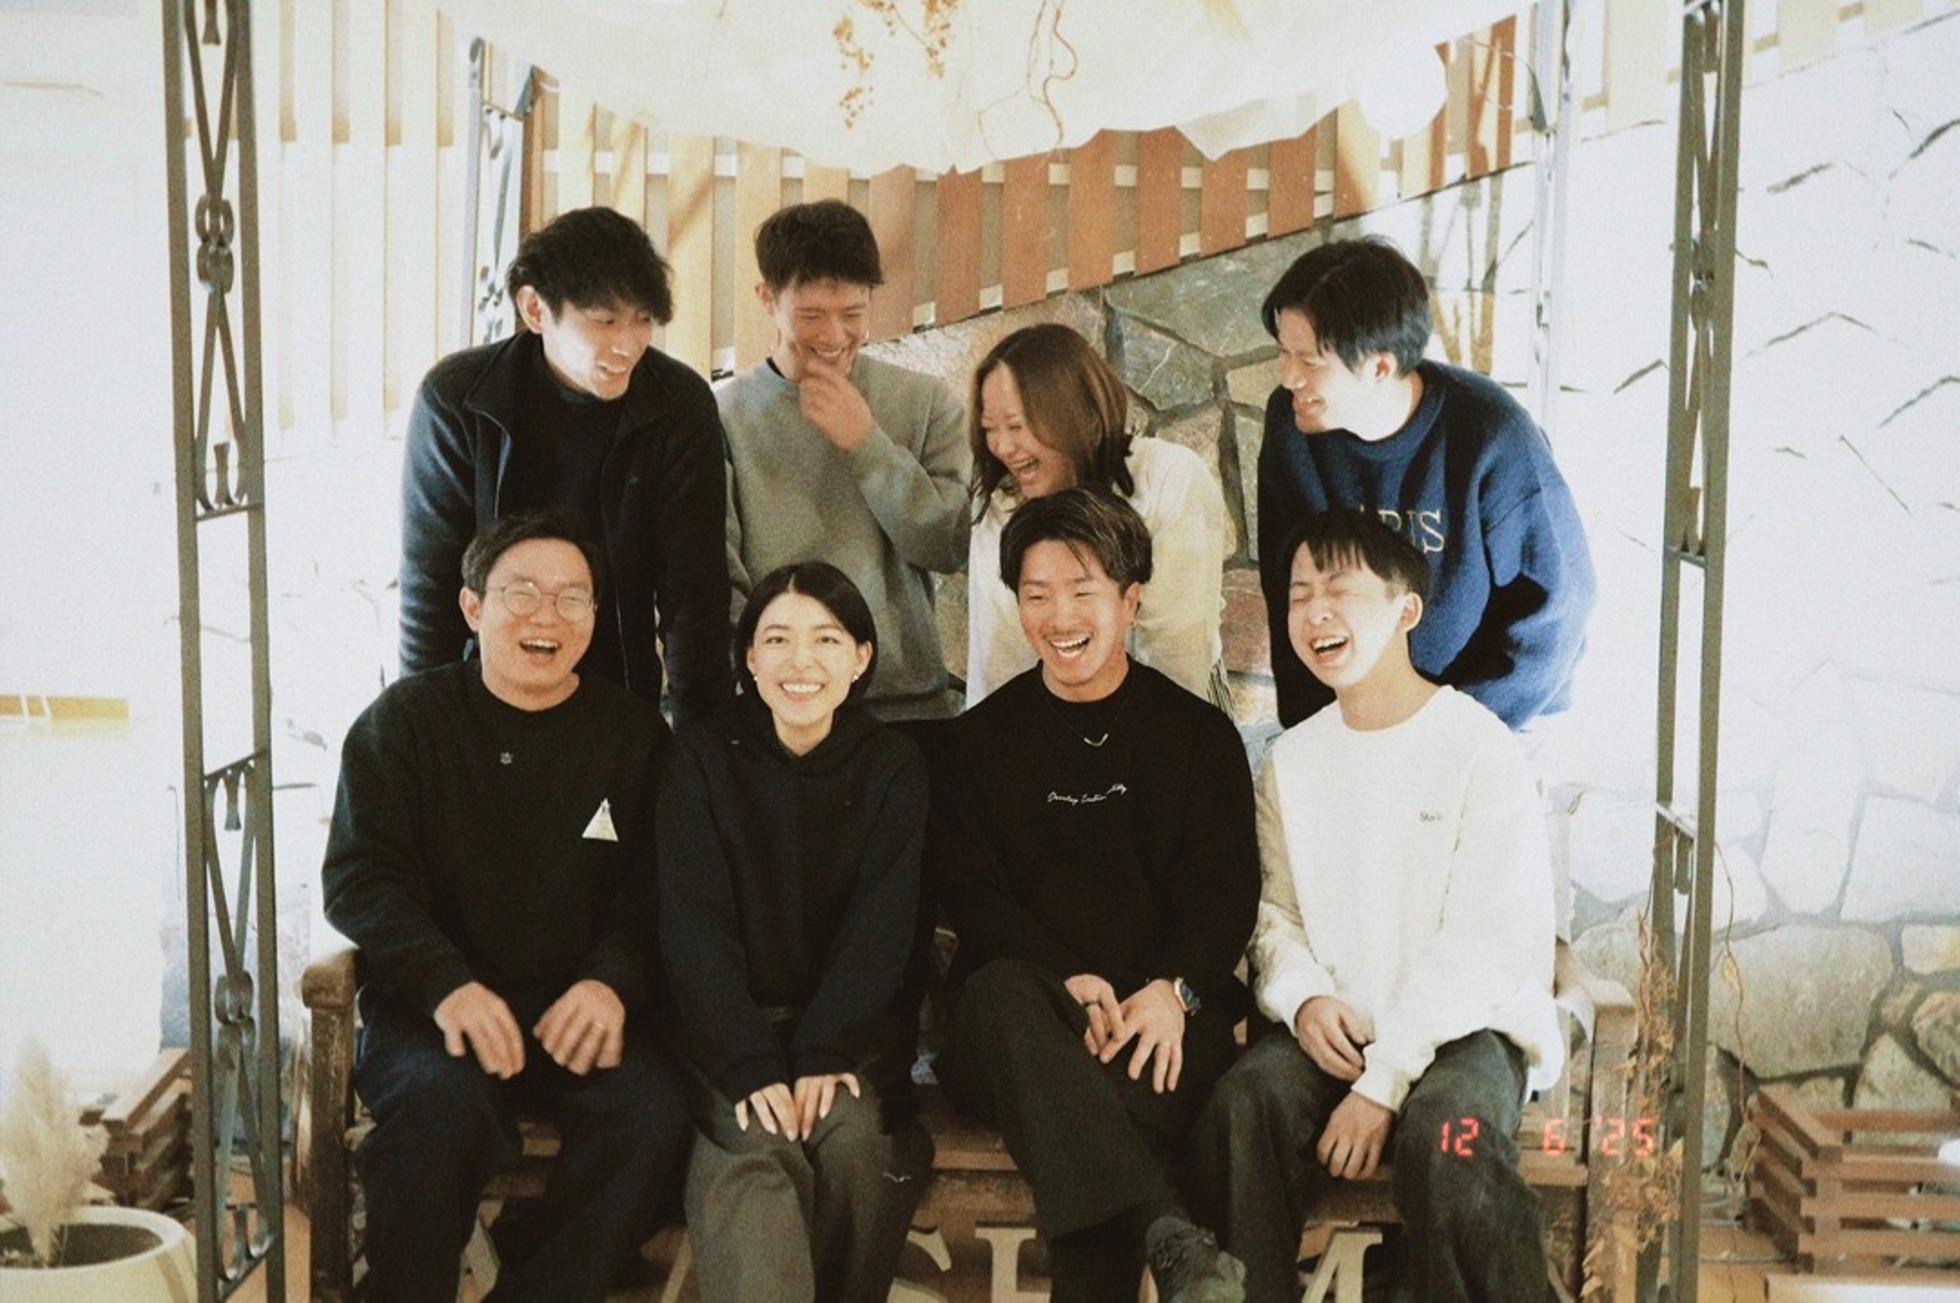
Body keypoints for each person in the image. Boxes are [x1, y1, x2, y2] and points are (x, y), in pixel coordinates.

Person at [1188, 510, 1564, 1303]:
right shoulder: (1291, 760)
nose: (1315, 612)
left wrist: (1383, 1083)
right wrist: (1303, 999)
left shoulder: (1479, 746)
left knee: (1450, 1137)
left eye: (1340, 590)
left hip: (1466, 1032)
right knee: (1242, 1105)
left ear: (1405, 609)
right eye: (1299, 594)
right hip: (1339, 1026)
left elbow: (1487, 942)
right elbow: (1272, 916)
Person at [323, 510, 689, 1302]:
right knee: (436, 1114)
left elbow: (659, 888)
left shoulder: (633, 735)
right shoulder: (404, 723)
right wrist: (445, 983)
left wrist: (612, 982)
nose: (546, 616)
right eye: (521, 592)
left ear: (595, 615)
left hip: (573, 1009)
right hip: (437, 1012)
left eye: (571, 597)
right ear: (472, 606)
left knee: (652, 1112)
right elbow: (361, 877)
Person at [931, 488, 1258, 1302]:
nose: (1059, 616)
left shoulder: (1198, 736)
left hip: (1161, 1020)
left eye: (1082, 591)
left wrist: (1174, 992)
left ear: (1130, 598)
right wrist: (1064, 979)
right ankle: (1168, 1233)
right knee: (1004, 998)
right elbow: (971, 893)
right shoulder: (977, 742)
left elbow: (1224, 894)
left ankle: (1161, 1234)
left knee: (1093, 1111)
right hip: (1018, 1024)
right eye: (1037, 594)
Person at [658, 561, 932, 1302]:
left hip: (847, 1036)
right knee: (756, 1136)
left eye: (827, 639)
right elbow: (693, 927)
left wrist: (825, 1048)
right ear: (749, 658)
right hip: (729, 1035)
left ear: (862, 658)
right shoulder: (700, 758)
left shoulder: (893, 766)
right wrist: (748, 1061)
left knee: (853, 1139)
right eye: (777, 639)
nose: (800, 662)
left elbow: (884, 926)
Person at [400, 206, 730, 726]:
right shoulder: (458, 401)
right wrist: (422, 731)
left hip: (619, 700)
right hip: (484, 694)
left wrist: (702, 749)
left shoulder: (679, 405)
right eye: (604, 321)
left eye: (643, 320)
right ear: (535, 309)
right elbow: (430, 588)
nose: (628, 345)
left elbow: (695, 600)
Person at [1255, 236, 1594, 731]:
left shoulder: (1492, 435)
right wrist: (1316, 731)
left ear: (1379, 366)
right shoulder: (1291, 427)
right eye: (1284, 353)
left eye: (1309, 361)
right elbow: (1288, 587)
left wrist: (1454, 730)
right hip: (1363, 717)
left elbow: (1557, 610)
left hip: (1499, 718)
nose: (1288, 377)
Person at [719, 199, 970, 722]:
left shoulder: (924, 402)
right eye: (811, 316)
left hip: (906, 707)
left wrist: (866, 444)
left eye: (853, 314)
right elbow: (721, 577)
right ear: (767, 298)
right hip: (780, 709)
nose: (835, 336)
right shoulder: (724, 416)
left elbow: (948, 546)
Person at [966, 322, 1232, 710]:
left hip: (1172, 711)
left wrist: (1167, 741)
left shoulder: (1168, 477)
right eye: (991, 428)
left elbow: (1178, 651)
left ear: (1080, 415)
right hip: (1050, 715)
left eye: (1017, 425)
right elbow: (996, 656)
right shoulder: (1001, 500)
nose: (1003, 447)